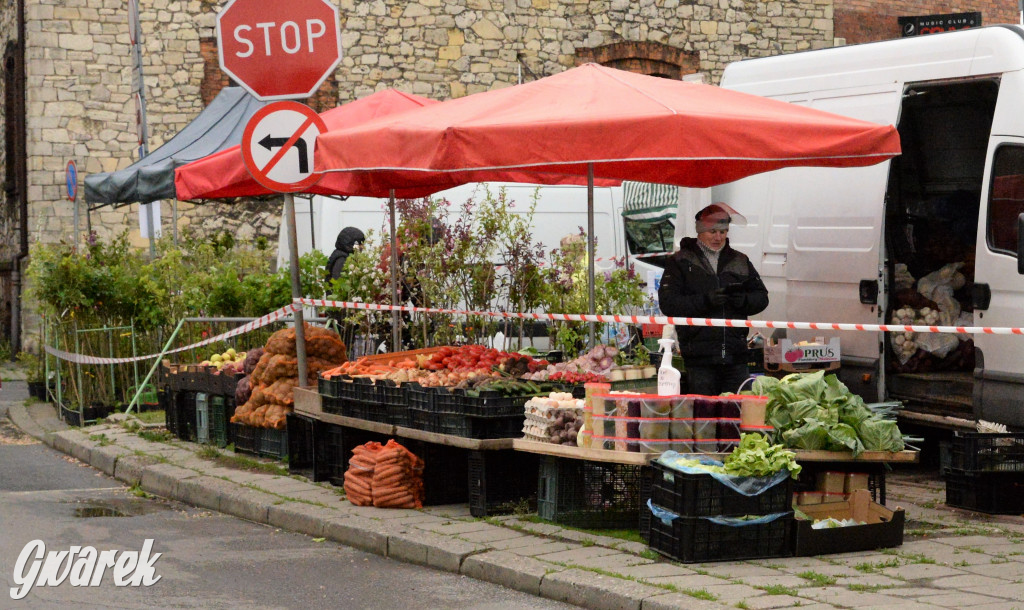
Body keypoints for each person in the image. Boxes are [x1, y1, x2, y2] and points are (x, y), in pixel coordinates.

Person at [658, 203, 768, 395]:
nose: (718, 237)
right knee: (705, 418)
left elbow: (762, 297)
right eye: (713, 232)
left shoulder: (740, 260)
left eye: (723, 232)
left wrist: (742, 300)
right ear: (700, 231)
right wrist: (705, 301)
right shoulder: (680, 261)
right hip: (700, 357)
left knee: (735, 416)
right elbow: (668, 304)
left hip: (736, 356)